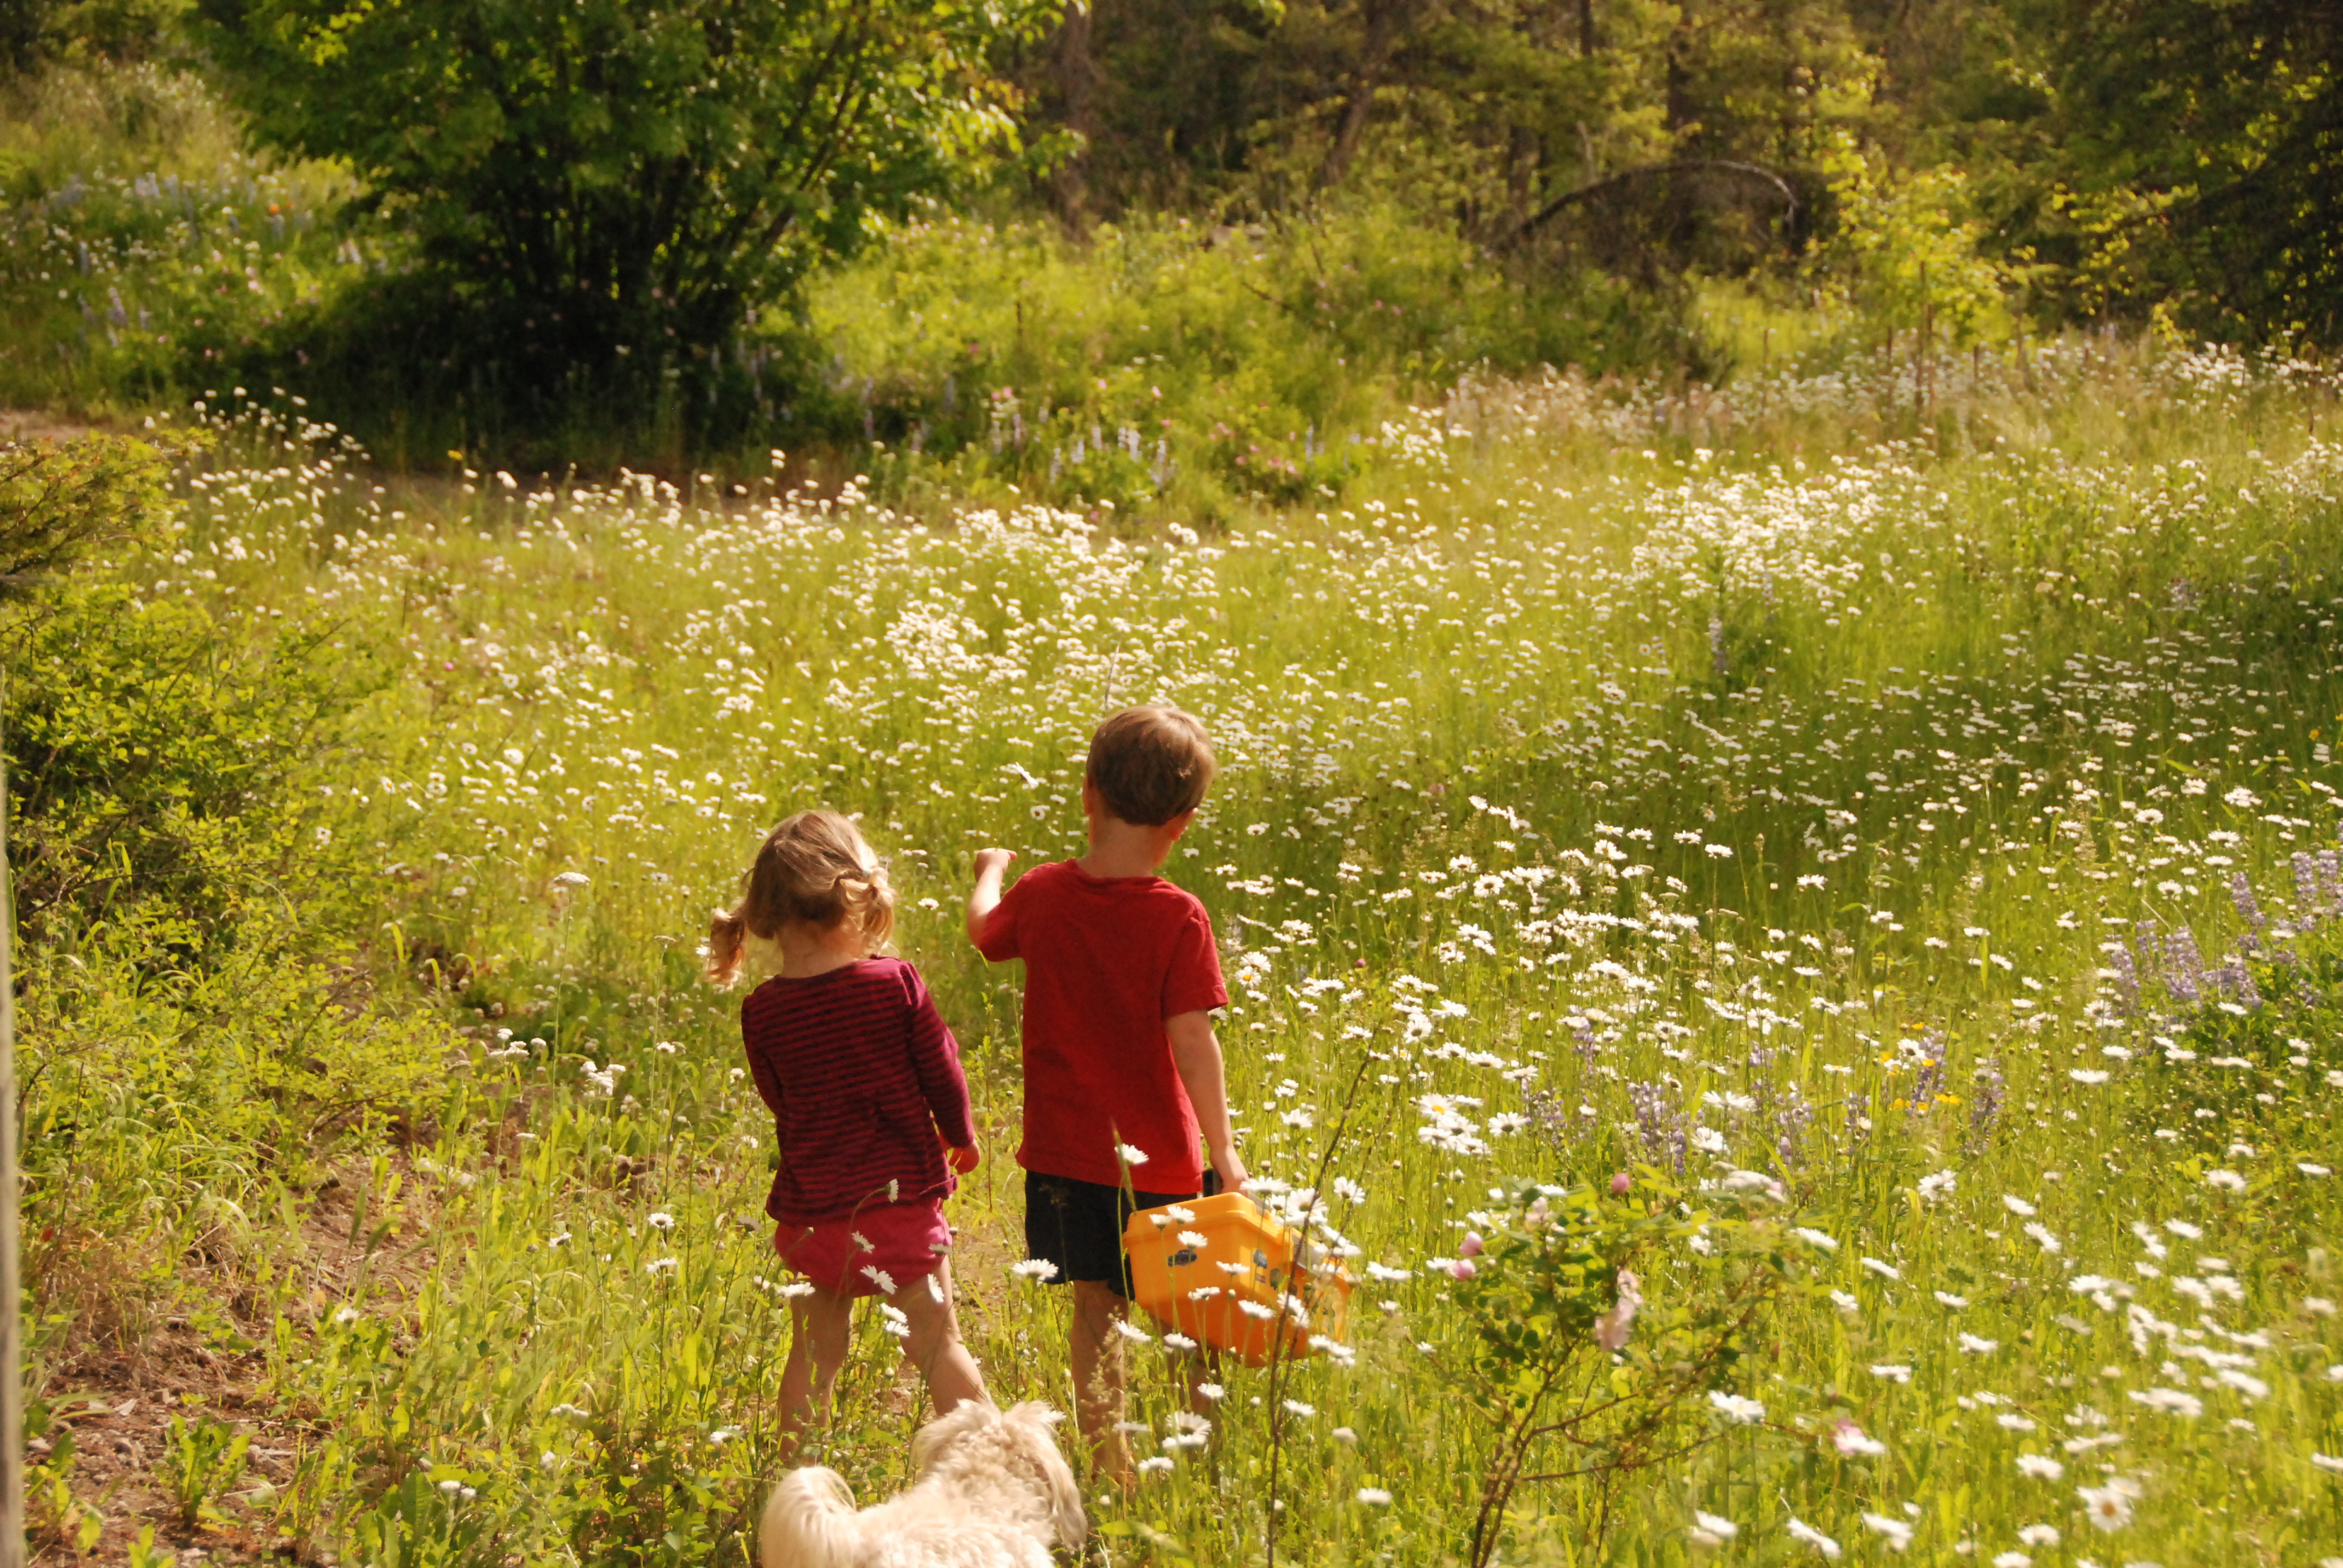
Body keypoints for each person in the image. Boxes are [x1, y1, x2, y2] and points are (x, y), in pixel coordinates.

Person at [965, 705, 1247, 1486]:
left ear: (1087, 793)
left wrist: (989, 870)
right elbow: (1194, 1042)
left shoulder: (1042, 893)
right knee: (1187, 1313)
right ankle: (1201, 1463)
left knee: (1096, 1311)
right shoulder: (1178, 916)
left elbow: (984, 934)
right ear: (1183, 823)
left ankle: (1110, 1469)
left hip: (1066, 1157)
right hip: (1160, 1163)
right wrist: (1223, 1152)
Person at [709, 809, 989, 1450]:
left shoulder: (763, 1011)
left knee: (814, 1353)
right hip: (898, 1205)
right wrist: (960, 1135)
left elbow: (781, 1101)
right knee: (936, 1342)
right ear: (855, 896)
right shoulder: (893, 984)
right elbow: (942, 1071)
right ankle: (996, 1465)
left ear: (768, 913)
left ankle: (797, 1474)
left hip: (814, 1217)